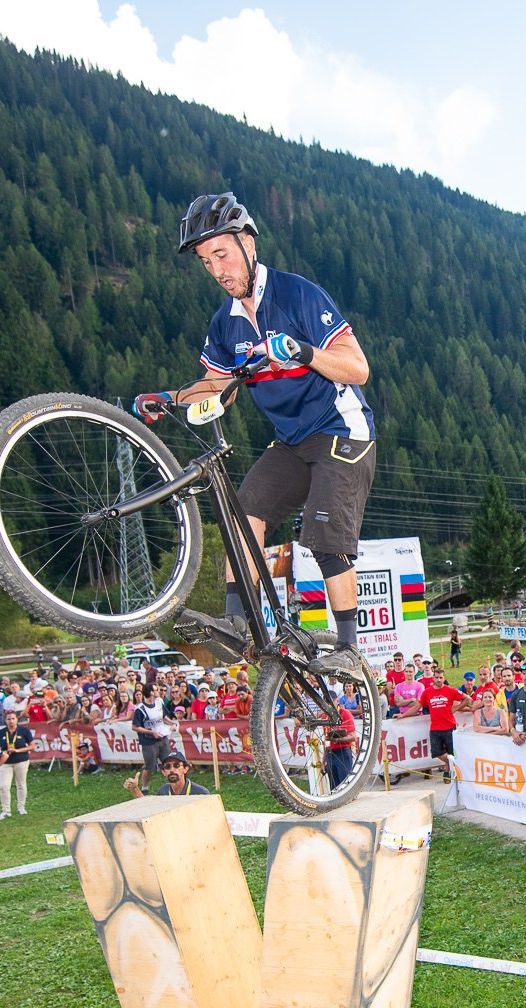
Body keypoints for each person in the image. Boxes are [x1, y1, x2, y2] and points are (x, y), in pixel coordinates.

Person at [137, 191, 376, 679]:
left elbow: (358, 368)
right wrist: (168, 397)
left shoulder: (297, 294)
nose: (217, 269)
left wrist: (303, 352)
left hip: (341, 429)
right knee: (244, 510)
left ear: (248, 243)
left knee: (325, 536)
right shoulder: (224, 324)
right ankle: (237, 623)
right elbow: (216, 386)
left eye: (222, 254)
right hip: (291, 440)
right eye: (206, 262)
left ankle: (350, 649)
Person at [418, 669, 468, 777]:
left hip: (449, 725)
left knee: (452, 751)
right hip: (435, 727)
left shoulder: (450, 690)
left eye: (441, 677)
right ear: (433, 678)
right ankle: (450, 764)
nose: (439, 680)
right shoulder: (427, 692)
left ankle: (448, 772)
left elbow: (466, 699)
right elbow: (418, 706)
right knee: (436, 752)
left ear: (444, 678)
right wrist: (403, 715)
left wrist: (456, 708)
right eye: (436, 677)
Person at [0, 707, 34, 821]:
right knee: (4, 786)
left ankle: (21, 807)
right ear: (5, 720)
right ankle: (5, 810)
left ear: (17, 720)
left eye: (13, 719)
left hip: (21, 760)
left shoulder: (24, 731)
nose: (11, 721)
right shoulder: (0, 733)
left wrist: (18, 750)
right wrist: (1, 753)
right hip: (5, 762)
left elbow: (32, 746)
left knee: (21, 784)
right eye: (8, 719)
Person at [124, 749, 211, 797]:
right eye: (167, 767)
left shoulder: (200, 793)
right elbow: (151, 812)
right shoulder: (163, 791)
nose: (172, 770)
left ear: (186, 769)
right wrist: (135, 789)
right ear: (163, 772)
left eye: (176, 765)